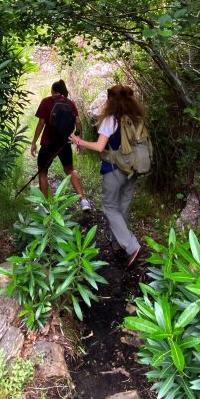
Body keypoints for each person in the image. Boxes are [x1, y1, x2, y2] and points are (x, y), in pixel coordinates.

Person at [70, 84, 144, 266]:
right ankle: (117, 242)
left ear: (111, 100)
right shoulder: (136, 117)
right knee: (123, 205)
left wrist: (78, 140)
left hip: (114, 168)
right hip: (134, 167)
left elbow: (99, 147)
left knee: (110, 207)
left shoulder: (110, 120)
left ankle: (132, 246)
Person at [30, 79, 92, 212]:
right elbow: (78, 122)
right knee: (70, 170)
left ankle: (45, 206)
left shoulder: (46, 101)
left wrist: (34, 141)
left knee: (42, 171)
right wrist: (79, 141)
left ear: (53, 90)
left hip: (48, 142)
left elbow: (41, 123)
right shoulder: (70, 103)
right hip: (65, 143)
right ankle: (84, 200)